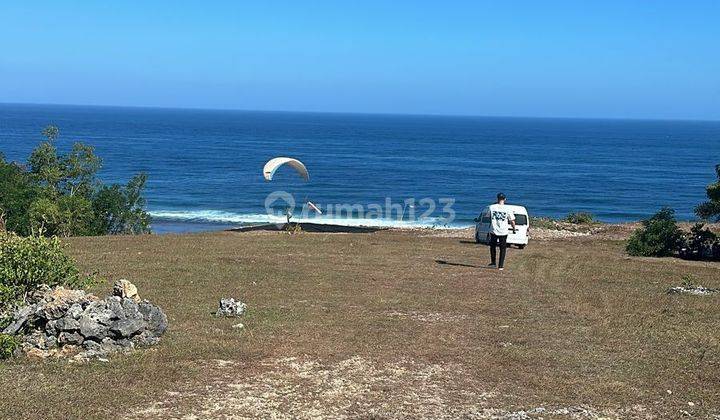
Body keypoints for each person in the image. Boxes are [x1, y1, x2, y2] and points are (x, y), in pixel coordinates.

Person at [488, 193, 516, 270]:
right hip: (503, 231)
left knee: (492, 247)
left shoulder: (492, 207)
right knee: (502, 248)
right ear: (505, 199)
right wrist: (514, 229)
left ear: (497, 198)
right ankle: (501, 265)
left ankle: (493, 262)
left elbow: (488, 216)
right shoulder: (508, 209)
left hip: (493, 230)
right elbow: (512, 221)